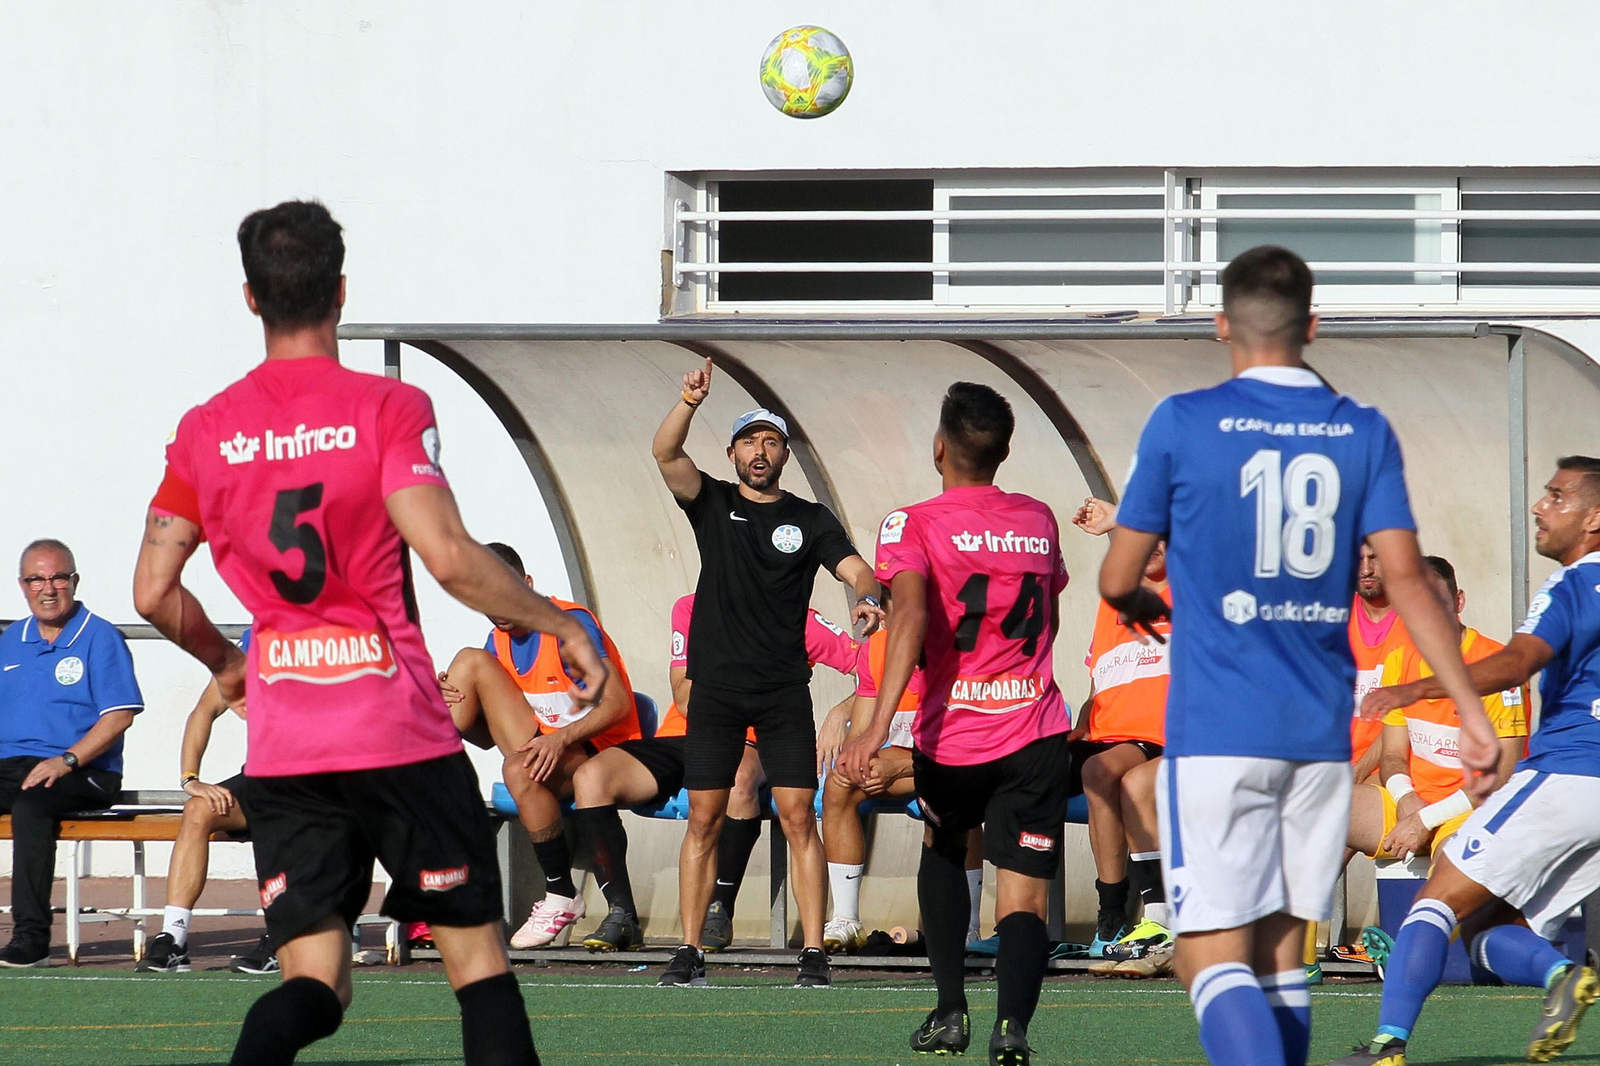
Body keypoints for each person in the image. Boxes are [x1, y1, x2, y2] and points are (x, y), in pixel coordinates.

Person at [133, 200, 608, 1066]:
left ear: (250, 298)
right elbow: (452, 557)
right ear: (341, 291)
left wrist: (228, 662)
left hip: (290, 750)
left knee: (315, 984)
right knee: (477, 965)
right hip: (398, 736)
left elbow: (154, 591)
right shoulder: (387, 407)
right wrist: (554, 622)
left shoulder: (206, 430)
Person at [1099, 244, 1493, 1066]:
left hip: (1215, 726)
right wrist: (1469, 710)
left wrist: (1144, 596)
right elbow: (1414, 583)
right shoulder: (1361, 428)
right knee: (1282, 956)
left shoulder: (1181, 420)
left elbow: (1116, 574)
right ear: (1313, 326)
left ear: (1220, 328)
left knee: (1206, 951)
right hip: (1318, 738)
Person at [1333, 459, 1600, 1066]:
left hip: (1569, 777)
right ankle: (1561, 975)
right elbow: (1394, 754)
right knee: (1482, 931)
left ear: (1593, 519)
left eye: (1556, 496)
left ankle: (1386, 1045)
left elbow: (1516, 662)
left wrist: (1416, 690)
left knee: (1433, 905)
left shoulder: (1572, 586)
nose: (1539, 506)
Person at [840, 381, 1070, 1066]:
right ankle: (1012, 1030)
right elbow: (1045, 597)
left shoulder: (911, 524)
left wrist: (875, 725)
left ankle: (949, 1009)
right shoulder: (1039, 517)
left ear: (940, 447)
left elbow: (908, 615)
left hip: (956, 737)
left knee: (944, 848)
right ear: (1003, 452)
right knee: (1022, 894)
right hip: (1034, 729)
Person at [650, 359, 883, 989]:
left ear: (784, 454)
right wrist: (689, 402)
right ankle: (691, 948)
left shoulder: (809, 519)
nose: (760, 450)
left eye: (771, 441)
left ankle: (812, 953)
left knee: (798, 814)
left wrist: (868, 597)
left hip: (784, 691)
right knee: (704, 816)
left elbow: (856, 568)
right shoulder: (712, 502)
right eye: (749, 440)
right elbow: (665, 451)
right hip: (717, 691)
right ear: (731, 454)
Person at [572, 593, 857, 953]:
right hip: (687, 735)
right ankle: (621, 913)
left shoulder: (795, 614)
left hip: (751, 740)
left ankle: (719, 909)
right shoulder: (691, 607)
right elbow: (684, 699)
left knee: (738, 782)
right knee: (591, 777)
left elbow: (874, 666)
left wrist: (840, 712)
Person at [437, 541, 640, 950]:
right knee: (467, 675)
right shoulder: (498, 640)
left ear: (527, 583)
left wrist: (561, 738)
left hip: (602, 751)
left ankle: (560, 893)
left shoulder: (567, 624)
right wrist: (452, 702)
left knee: (472, 668)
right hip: (546, 751)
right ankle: (560, 894)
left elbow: (619, 705)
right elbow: (488, 737)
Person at [816, 592, 985, 956]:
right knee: (840, 781)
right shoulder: (876, 648)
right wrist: (859, 761)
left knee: (957, 797)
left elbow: (969, 743)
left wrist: (905, 763)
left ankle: (968, 927)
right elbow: (860, 733)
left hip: (948, 762)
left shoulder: (958, 649)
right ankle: (846, 918)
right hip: (894, 763)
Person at [0, 539, 143, 968]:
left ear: (74, 581)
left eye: (58, 577)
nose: (48, 588)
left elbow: (119, 716)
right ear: (22, 585)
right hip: (14, 766)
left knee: (31, 807)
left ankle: (31, 939)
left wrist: (65, 760)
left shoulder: (100, 637)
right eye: (37, 579)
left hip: (85, 769)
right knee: (27, 792)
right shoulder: (11, 640)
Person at [1343, 556, 1527, 868]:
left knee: (1451, 871)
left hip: (1471, 807)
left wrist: (1425, 819)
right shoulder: (1400, 662)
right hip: (1413, 801)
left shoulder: (1498, 667)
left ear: (1458, 602)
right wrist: (1405, 799)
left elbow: (1500, 777)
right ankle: (1286, 916)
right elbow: (1392, 755)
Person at [139, 629, 278, 975]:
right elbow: (203, 712)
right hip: (263, 777)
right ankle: (174, 938)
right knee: (199, 809)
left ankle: (284, 934)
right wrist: (191, 780)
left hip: (320, 781)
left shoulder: (328, 642)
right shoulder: (252, 644)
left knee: (282, 813)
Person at [1351, 540, 1416, 782]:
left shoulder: (1418, 621)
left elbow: (1409, 717)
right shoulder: (1332, 616)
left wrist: (1356, 774)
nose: (1366, 570)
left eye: (1375, 558)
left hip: (1390, 768)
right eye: (1359, 559)